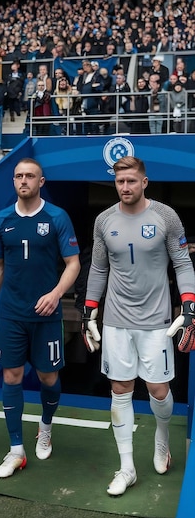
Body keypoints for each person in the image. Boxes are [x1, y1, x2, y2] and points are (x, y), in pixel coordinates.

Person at [82, 156, 195, 497]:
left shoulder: (165, 216)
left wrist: (189, 303)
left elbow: (182, 262)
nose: (126, 187)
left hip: (157, 322)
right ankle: (127, 467)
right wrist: (90, 311)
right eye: (120, 182)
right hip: (116, 320)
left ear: (144, 182)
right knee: (120, 389)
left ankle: (162, 439)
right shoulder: (104, 220)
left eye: (132, 181)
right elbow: (99, 269)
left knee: (158, 390)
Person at [0, 158, 80, 478]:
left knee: (48, 379)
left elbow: (73, 264)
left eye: (30, 176)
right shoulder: (1, 218)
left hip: (46, 314)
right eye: (19, 176)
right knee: (11, 377)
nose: (23, 180)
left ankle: (46, 425)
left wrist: (55, 295)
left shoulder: (56, 216)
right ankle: (16, 451)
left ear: (41, 181)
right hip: (12, 312)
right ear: (13, 181)